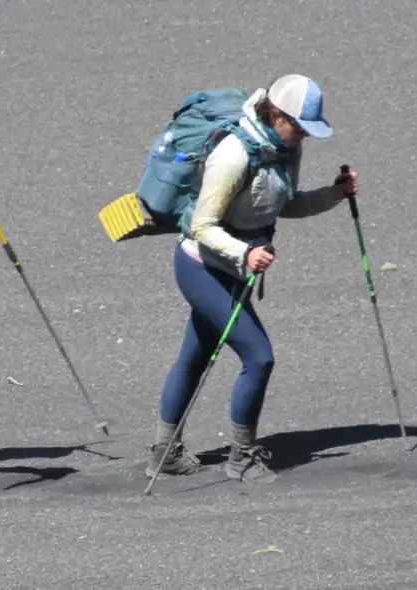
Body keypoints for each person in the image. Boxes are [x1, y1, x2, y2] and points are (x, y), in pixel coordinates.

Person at [145, 74, 359, 484]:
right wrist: (246, 252)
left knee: (195, 356)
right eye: (299, 126)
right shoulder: (233, 155)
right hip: (201, 266)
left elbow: (285, 204)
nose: (304, 135)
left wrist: (333, 195)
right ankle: (242, 458)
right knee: (259, 357)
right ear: (276, 114)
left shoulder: (285, 149)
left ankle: (164, 455)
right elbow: (203, 226)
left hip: (233, 270)